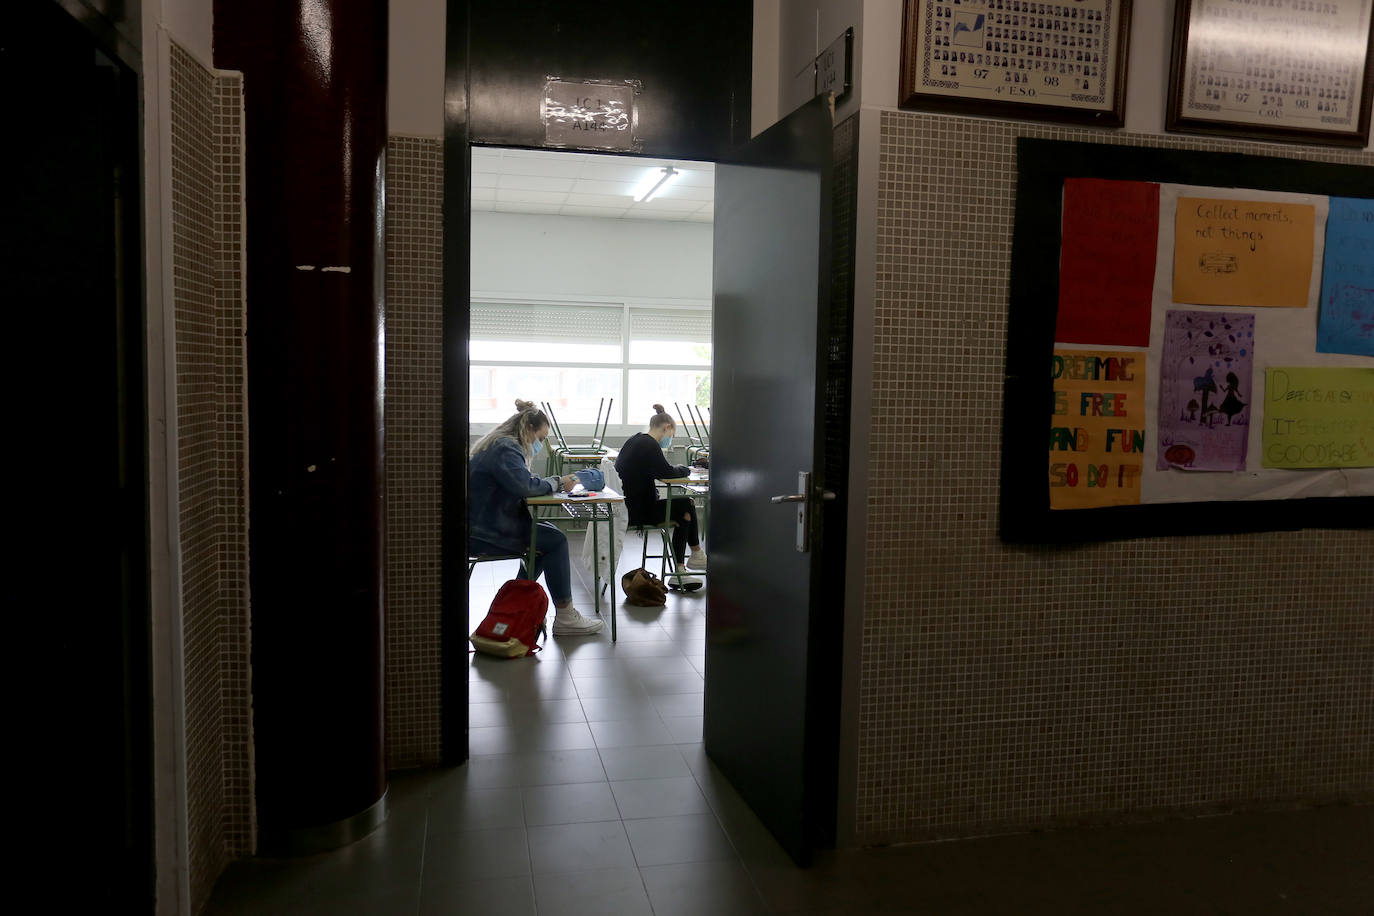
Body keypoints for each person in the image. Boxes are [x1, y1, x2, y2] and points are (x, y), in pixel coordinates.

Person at [469, 399, 604, 636]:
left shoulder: (497, 444)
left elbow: (521, 483)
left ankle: (517, 604)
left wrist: (550, 482)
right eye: (541, 438)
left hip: (483, 524)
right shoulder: (506, 448)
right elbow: (526, 486)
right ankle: (566, 617)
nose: (540, 444)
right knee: (555, 540)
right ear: (529, 429)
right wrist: (558, 482)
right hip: (485, 532)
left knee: (545, 535)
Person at [615, 404, 707, 587]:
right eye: (672, 435)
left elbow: (659, 471)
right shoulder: (649, 444)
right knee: (686, 506)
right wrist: (687, 469)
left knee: (684, 508)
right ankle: (690, 560)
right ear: (666, 428)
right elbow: (667, 472)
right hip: (638, 512)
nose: (670, 440)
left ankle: (685, 565)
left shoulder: (635, 440)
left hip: (629, 506)